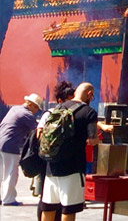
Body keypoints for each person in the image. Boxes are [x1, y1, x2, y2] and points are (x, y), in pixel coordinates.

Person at [41, 82, 99, 221]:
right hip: (73, 167)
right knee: (68, 209)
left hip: (52, 166)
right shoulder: (89, 112)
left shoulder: (59, 107)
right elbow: (92, 140)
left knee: (48, 207)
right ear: (89, 94)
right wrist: (97, 138)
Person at [35, 81, 75, 221]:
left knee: (51, 197)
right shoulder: (52, 113)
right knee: (49, 197)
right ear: (60, 100)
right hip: (50, 161)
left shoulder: (49, 114)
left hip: (49, 158)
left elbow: (39, 134)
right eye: (70, 99)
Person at [0, 93, 42, 206]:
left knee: (1, 173)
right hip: (10, 145)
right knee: (11, 173)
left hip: (1, 141)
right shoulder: (27, 114)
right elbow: (38, 131)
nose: (37, 110)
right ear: (30, 104)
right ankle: (8, 199)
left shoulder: (15, 109)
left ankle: (2, 197)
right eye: (36, 107)